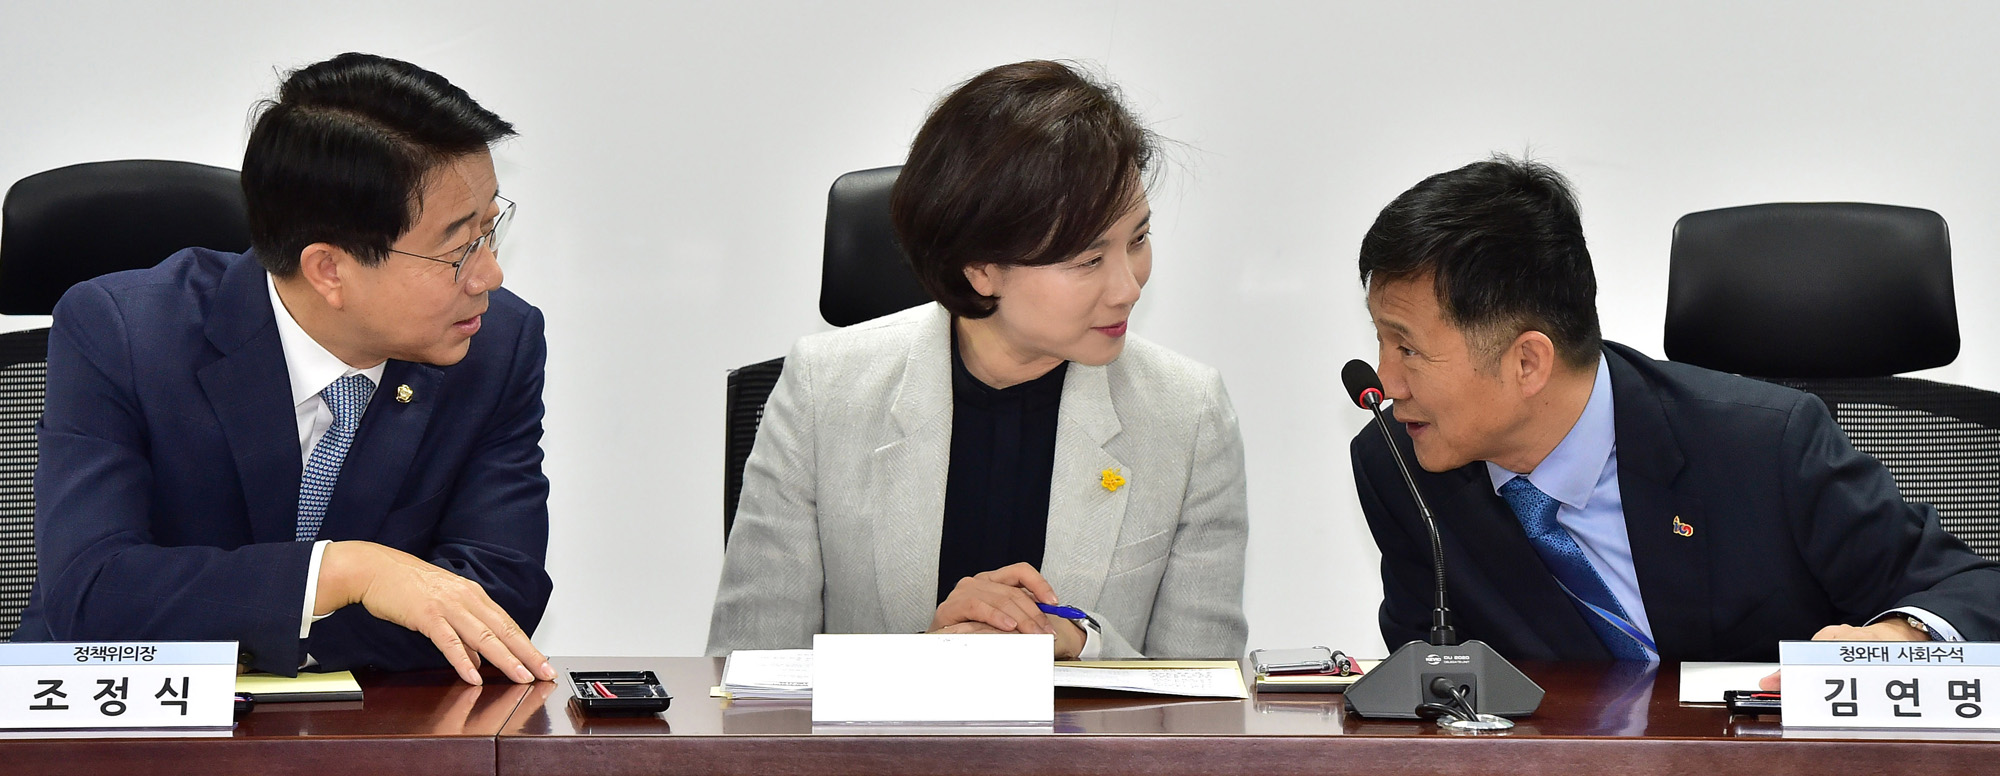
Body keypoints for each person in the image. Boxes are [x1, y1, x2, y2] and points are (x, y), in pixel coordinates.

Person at [14, 53, 557, 686]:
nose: (491, 274)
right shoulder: (121, 332)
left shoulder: (498, 344)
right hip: (116, 715)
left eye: (490, 229)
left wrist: (255, 634)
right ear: (329, 270)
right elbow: (93, 593)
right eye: (459, 248)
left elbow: (499, 596)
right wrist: (347, 573)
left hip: (365, 722)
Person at [1351, 155, 2000, 664]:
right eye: (1379, 339)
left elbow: (1974, 592)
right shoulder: (1398, 467)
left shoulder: (1765, 445)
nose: (1387, 381)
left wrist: (1898, 637)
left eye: (1407, 347)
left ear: (1528, 362)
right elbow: (1427, 685)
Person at [707, 60, 1248, 660]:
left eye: (1139, 239)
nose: (1129, 287)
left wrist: (1079, 644)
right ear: (981, 269)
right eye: (1089, 260)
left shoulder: (1188, 413)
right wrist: (928, 658)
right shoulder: (822, 392)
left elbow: (1209, 694)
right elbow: (747, 676)